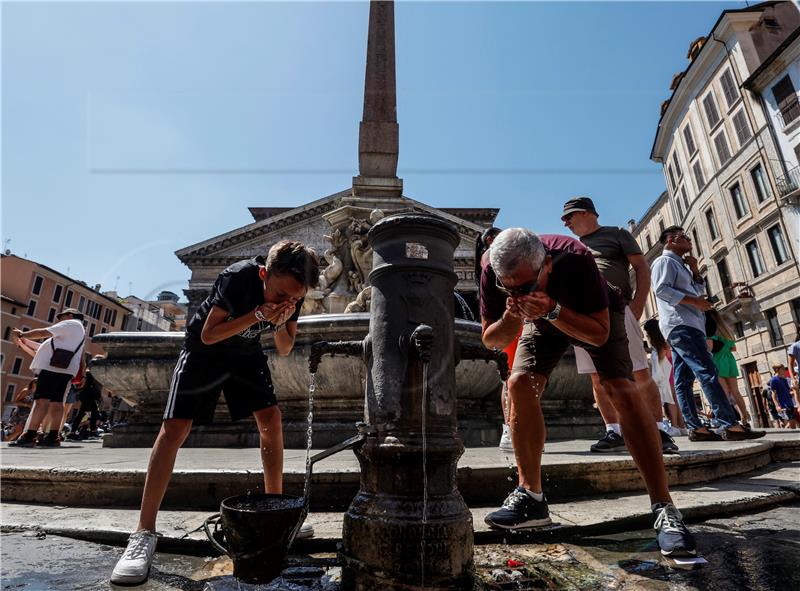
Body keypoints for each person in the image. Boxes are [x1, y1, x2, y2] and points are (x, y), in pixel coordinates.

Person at [111, 240, 320, 586]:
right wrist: (256, 315)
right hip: (203, 352)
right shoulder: (236, 278)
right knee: (175, 429)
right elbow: (209, 335)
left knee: (271, 421)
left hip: (245, 353)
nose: (287, 301)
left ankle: (276, 514)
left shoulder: (292, 293)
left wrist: (282, 319)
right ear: (265, 273)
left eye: (295, 298)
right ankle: (143, 534)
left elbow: (284, 348)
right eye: (281, 295)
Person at [480, 228, 695, 557]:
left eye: (524, 286)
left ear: (547, 265)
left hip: (597, 314)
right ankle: (531, 497)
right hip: (541, 321)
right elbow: (491, 340)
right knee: (519, 383)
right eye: (507, 287)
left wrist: (552, 309)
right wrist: (512, 315)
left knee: (620, 388)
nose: (516, 291)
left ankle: (664, 508)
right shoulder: (495, 272)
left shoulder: (576, 259)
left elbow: (597, 336)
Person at [561, 197, 677, 454]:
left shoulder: (617, 235)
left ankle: (658, 428)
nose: (565, 223)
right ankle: (614, 431)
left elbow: (641, 268)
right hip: (585, 313)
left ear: (586, 213)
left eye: (569, 217)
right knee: (596, 376)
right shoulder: (572, 247)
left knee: (638, 371)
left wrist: (637, 304)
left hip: (617, 308)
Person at [651, 226, 765, 442]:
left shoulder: (681, 265)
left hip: (688, 324)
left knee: (683, 379)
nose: (690, 241)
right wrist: (695, 302)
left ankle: (696, 428)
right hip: (682, 324)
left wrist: (694, 270)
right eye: (685, 237)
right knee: (707, 370)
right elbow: (662, 290)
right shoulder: (664, 262)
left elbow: (698, 291)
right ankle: (728, 423)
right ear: (672, 240)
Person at [9, 309, 86, 447]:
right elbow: (45, 347)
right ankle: (52, 436)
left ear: (69, 316)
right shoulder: (77, 330)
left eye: (61, 317)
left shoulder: (70, 324)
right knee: (56, 402)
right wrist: (24, 341)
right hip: (64, 369)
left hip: (52, 368)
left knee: (41, 401)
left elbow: (42, 332)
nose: (59, 320)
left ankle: (30, 435)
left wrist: (22, 333)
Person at [476, 226, 517, 453]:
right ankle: (512, 429)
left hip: (507, 322)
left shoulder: (488, 257)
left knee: (511, 378)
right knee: (513, 378)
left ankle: (512, 428)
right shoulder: (490, 257)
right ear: (492, 239)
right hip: (508, 321)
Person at [642, 319, 685, 435]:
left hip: (666, 374)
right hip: (672, 372)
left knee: (670, 401)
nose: (646, 335)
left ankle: (675, 427)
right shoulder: (666, 341)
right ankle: (682, 427)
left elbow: (661, 360)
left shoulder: (660, 345)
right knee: (676, 401)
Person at [707, 313, 750, 425]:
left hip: (718, 361)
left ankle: (727, 418)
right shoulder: (727, 331)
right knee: (735, 391)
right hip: (730, 361)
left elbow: (709, 348)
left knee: (724, 392)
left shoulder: (712, 332)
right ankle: (744, 416)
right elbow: (733, 348)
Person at [68, 368, 103, 438]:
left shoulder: (87, 373)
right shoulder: (91, 374)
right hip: (89, 396)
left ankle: (73, 431)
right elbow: (92, 386)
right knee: (93, 413)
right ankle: (92, 431)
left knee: (82, 413)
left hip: (85, 396)